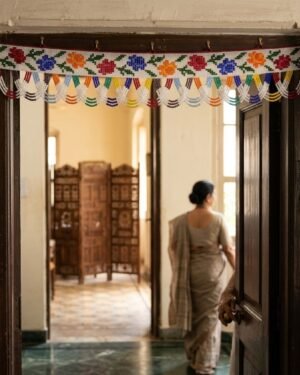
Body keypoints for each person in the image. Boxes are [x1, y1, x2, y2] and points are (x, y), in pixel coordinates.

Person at [168, 180, 235, 375]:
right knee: (210, 318)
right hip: (210, 276)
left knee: (193, 315)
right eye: (212, 195)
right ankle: (204, 364)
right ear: (208, 197)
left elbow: (172, 248)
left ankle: (193, 355)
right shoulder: (218, 219)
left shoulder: (181, 221)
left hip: (187, 275)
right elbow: (229, 248)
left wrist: (179, 268)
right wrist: (240, 271)